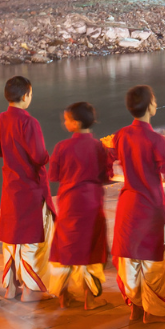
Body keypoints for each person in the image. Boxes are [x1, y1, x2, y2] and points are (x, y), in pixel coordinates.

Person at [111, 85, 165, 323]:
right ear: (150, 106)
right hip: (151, 206)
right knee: (155, 261)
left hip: (128, 204)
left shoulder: (121, 135)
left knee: (131, 258)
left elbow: (112, 156)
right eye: (155, 100)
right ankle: (155, 311)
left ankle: (136, 305)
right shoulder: (156, 139)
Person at [0, 76, 53, 301]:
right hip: (30, 185)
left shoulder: (0, 119)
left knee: (11, 237)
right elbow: (39, 156)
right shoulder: (29, 122)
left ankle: (10, 287)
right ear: (26, 95)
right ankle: (31, 290)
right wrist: (49, 157)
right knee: (31, 237)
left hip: (10, 184)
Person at [47, 101, 112, 309]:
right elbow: (106, 175)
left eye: (66, 119)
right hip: (92, 203)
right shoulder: (99, 147)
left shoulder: (61, 147)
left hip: (68, 203)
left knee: (64, 248)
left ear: (75, 123)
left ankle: (63, 295)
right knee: (91, 248)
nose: (65, 123)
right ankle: (90, 298)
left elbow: (54, 175)